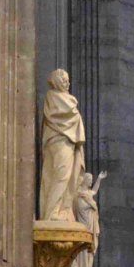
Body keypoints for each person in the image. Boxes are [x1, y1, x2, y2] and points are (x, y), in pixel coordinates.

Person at [39, 69, 86, 221]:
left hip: (67, 140)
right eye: (64, 80)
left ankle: (63, 210)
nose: (68, 83)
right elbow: (64, 115)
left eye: (68, 80)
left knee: (68, 177)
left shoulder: (64, 98)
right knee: (61, 175)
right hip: (59, 140)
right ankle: (52, 212)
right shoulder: (53, 96)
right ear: (57, 81)